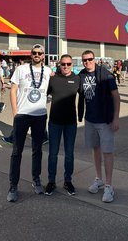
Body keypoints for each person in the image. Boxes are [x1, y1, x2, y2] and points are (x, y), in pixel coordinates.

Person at [7, 44, 51, 203]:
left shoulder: (47, 71)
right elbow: (13, 90)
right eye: (34, 53)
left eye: (40, 53)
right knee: (17, 151)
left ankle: (36, 179)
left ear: (43, 56)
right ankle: (13, 185)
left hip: (40, 116)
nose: (37, 55)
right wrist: (15, 112)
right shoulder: (21, 69)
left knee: (37, 150)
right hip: (23, 115)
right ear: (31, 55)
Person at [78, 50, 120, 203]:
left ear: (94, 59)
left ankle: (109, 186)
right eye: (84, 60)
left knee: (107, 152)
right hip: (90, 120)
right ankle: (99, 179)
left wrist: (116, 118)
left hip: (105, 120)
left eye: (89, 59)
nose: (87, 62)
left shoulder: (106, 74)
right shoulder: (82, 75)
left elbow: (116, 96)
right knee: (95, 149)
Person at [45, 54, 80, 196]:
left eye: (68, 64)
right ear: (59, 64)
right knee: (52, 154)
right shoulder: (53, 79)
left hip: (70, 123)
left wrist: (82, 114)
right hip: (54, 122)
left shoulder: (77, 79)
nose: (66, 66)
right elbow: (41, 94)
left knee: (69, 154)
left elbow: (84, 97)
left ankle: (68, 181)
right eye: (63, 64)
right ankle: (51, 181)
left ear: (72, 65)